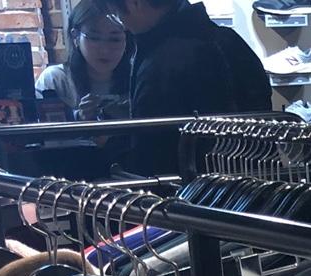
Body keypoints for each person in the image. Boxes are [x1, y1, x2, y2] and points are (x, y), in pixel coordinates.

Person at [96, 0, 271, 173]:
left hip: (193, 186)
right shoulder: (230, 40)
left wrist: (110, 140)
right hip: (259, 181)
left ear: (135, 3)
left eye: (116, 14)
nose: (123, 25)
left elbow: (151, 159)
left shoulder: (161, 63)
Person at [35, 0, 133, 120]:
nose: (105, 50)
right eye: (94, 38)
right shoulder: (55, 80)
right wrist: (78, 117)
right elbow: (40, 128)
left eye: (115, 39)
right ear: (75, 37)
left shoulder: (138, 78)